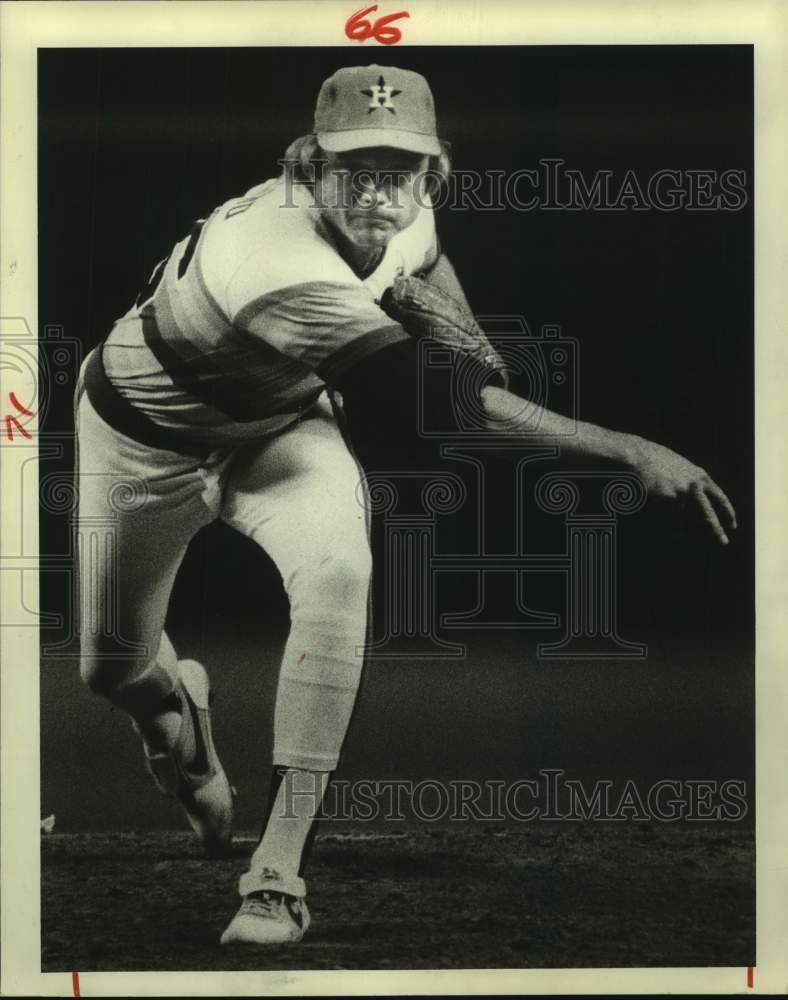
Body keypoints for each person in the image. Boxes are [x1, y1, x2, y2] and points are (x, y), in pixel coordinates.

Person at [74, 64, 737, 948]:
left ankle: (275, 875)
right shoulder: (272, 256)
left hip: (278, 429)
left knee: (341, 571)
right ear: (307, 167)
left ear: (432, 175)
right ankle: (179, 725)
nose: (379, 188)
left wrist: (466, 331)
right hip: (139, 442)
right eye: (354, 166)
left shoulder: (407, 211)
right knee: (110, 671)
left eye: (402, 168)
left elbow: (426, 262)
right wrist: (626, 446)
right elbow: (440, 407)